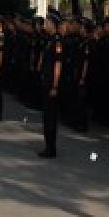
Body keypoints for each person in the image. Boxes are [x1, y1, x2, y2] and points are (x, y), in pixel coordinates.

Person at [38, 11, 63, 158]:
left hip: (51, 85)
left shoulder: (57, 41)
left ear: (53, 24)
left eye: (47, 22)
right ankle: (48, 146)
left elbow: (58, 65)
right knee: (46, 116)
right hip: (46, 82)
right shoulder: (50, 39)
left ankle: (51, 148)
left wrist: (55, 85)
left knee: (50, 117)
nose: (45, 24)